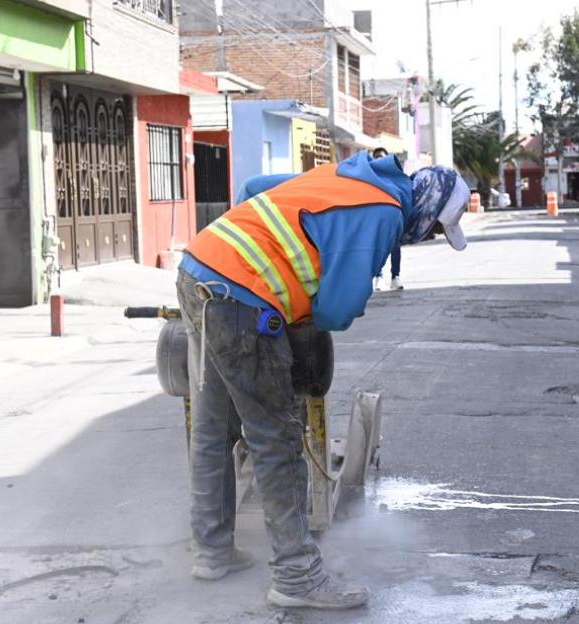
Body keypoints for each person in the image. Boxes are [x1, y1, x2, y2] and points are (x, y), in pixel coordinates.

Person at [177, 152, 470, 609]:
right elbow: (338, 308)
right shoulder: (386, 212)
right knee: (275, 438)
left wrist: (245, 256)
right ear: (428, 207)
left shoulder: (347, 176)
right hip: (241, 303)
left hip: (199, 268)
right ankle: (297, 577)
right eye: (434, 228)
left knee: (215, 426)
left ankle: (211, 551)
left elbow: (253, 187)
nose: (426, 235)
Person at [370, 148, 403, 290]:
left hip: (392, 214)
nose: (379, 159)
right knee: (378, 247)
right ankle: (379, 277)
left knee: (395, 246)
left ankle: (395, 277)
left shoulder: (393, 175)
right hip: (375, 216)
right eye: (376, 156)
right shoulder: (368, 175)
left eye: (382, 157)